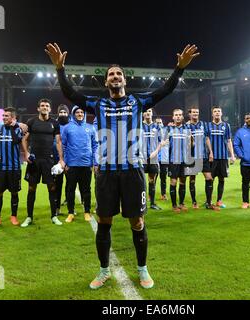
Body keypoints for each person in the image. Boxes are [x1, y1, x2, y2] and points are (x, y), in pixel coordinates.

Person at [46, 42, 199, 290]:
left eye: (119, 74)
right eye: (111, 75)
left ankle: (143, 269)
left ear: (124, 80)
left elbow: (164, 90)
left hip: (132, 173)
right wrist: (60, 69)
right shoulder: (98, 105)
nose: (115, 77)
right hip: (106, 173)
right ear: (106, 82)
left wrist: (179, 69)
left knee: (136, 222)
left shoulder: (138, 103)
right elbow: (71, 94)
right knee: (104, 221)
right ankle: (104, 270)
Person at [21, 98, 65, 227]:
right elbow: (24, 139)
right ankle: (29, 217)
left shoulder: (54, 123)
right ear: (38, 108)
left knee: (52, 187)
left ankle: (53, 216)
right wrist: (26, 153)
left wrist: (61, 159)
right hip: (34, 161)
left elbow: (58, 142)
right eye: (42, 105)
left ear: (50, 109)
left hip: (49, 160)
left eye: (47, 106)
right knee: (31, 188)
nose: (44, 107)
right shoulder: (32, 122)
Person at [0, 107, 24, 228]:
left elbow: (16, 141)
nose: (3, 118)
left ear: (13, 118)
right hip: (0, 168)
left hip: (14, 168)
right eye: (3, 116)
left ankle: (13, 216)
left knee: (14, 193)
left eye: (6, 116)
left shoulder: (18, 129)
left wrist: (14, 127)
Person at [62, 105, 98, 223]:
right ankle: (71, 212)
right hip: (72, 164)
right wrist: (65, 162)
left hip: (86, 164)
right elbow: (64, 145)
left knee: (86, 190)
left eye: (82, 112)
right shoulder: (67, 128)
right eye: (77, 112)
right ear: (73, 114)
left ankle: (87, 212)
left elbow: (95, 146)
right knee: (70, 189)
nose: (80, 114)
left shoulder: (91, 128)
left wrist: (95, 162)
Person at [185, 107, 216, 210]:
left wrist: (210, 152)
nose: (195, 114)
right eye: (193, 112)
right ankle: (194, 202)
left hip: (203, 156)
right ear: (190, 114)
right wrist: (191, 143)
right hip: (192, 157)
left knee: (209, 178)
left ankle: (208, 202)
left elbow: (207, 138)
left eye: (197, 112)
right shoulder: (186, 126)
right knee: (192, 179)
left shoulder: (204, 124)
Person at [207, 107, 236, 209]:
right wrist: (210, 152)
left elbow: (229, 141)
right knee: (210, 179)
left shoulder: (226, 126)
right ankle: (209, 201)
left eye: (218, 111)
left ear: (221, 113)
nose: (217, 113)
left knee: (222, 179)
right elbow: (207, 139)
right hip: (212, 157)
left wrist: (232, 155)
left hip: (223, 157)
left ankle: (219, 200)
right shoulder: (208, 125)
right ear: (212, 114)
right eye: (215, 111)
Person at [166, 109, 191, 213]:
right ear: (173, 117)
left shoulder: (187, 129)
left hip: (184, 160)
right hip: (173, 160)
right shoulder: (168, 129)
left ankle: (181, 203)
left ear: (182, 117)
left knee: (183, 181)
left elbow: (190, 145)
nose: (178, 117)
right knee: (173, 182)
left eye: (180, 115)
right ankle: (174, 205)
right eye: (176, 115)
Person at [142, 108, 162, 210]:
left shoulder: (157, 127)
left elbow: (160, 142)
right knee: (140, 182)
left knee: (152, 180)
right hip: (141, 158)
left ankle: (152, 203)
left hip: (153, 158)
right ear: (143, 114)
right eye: (145, 111)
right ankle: (140, 204)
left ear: (152, 113)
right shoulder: (139, 126)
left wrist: (156, 152)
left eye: (149, 111)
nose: (147, 113)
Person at [54, 104, 71, 216]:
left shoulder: (72, 125)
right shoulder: (54, 124)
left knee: (70, 184)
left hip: (70, 160)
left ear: (68, 113)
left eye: (65, 112)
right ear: (58, 113)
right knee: (57, 185)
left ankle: (70, 207)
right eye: (61, 112)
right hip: (57, 160)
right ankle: (57, 208)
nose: (63, 114)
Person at [155, 117, 169, 201]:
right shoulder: (153, 133)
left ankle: (163, 194)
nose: (159, 124)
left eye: (160, 122)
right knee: (153, 177)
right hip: (155, 158)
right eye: (157, 123)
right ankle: (150, 194)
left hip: (164, 159)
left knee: (163, 178)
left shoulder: (166, 133)